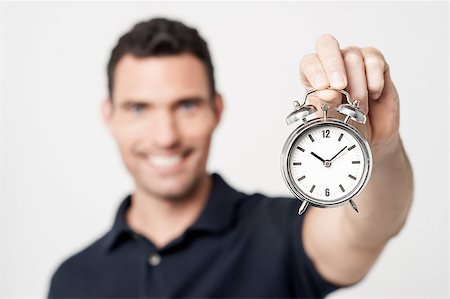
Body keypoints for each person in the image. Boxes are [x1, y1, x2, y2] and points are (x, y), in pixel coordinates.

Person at [48, 17, 413, 298]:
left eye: (186, 105)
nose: (165, 136)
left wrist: (379, 148)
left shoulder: (283, 234)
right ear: (109, 116)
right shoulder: (72, 280)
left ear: (216, 110)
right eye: (139, 108)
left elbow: (369, 230)